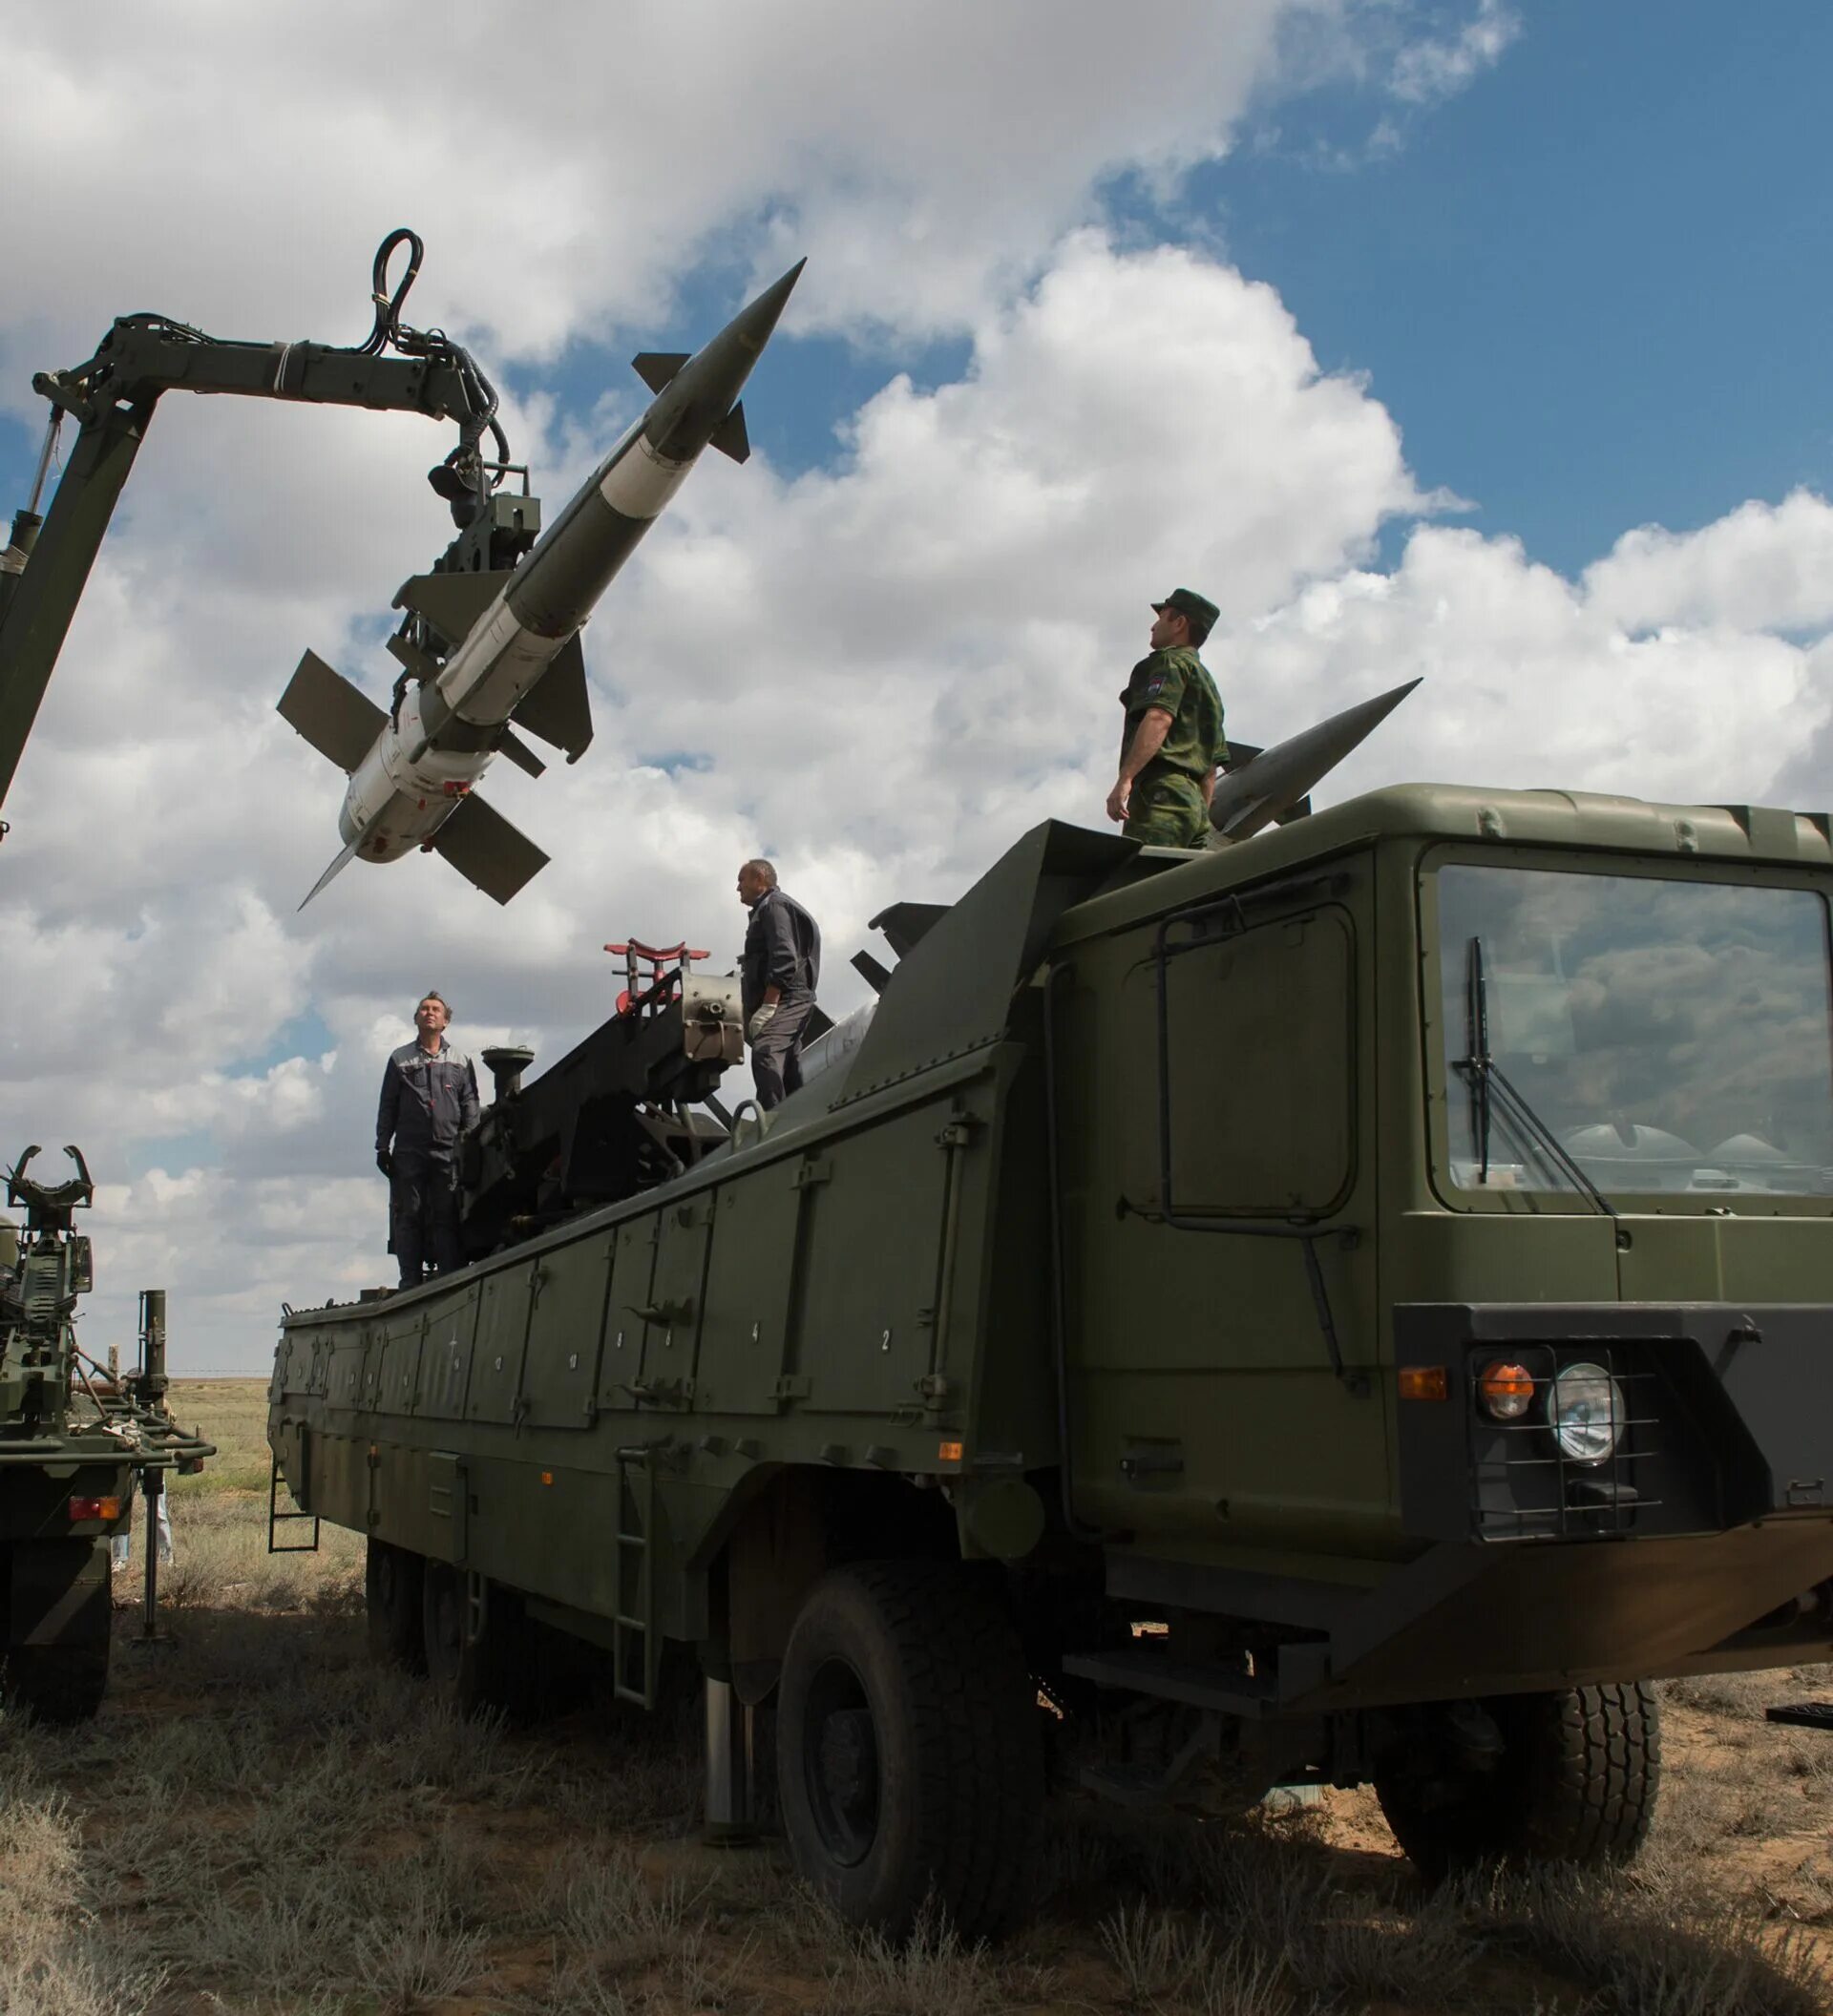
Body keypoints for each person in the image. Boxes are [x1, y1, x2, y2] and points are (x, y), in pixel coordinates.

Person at [1106, 586, 1228, 848]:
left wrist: (1125, 779)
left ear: (1179, 623)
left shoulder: (1168, 663)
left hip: (1161, 797)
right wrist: (1201, 816)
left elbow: (1159, 717)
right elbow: (1210, 768)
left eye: (1161, 617)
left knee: (1144, 884)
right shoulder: (1209, 687)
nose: (1153, 626)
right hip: (1195, 809)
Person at [375, 991, 480, 1290]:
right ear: (416, 1018)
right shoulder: (399, 1059)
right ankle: (410, 1280)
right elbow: (388, 1104)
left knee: (446, 1214)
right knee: (409, 1214)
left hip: (448, 1150)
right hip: (409, 1150)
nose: (429, 1013)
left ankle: (449, 1277)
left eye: (435, 1009)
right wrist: (382, 1145)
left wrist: (470, 1141)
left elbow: (470, 1102)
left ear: (445, 1022)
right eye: (424, 1009)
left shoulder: (460, 1060)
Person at [737, 860, 822, 1110]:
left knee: (766, 1052)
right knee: (788, 1069)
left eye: (742, 880)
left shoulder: (774, 906)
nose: (737, 887)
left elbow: (785, 956)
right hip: (789, 997)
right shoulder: (770, 908)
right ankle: (799, 1119)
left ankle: (772, 1126)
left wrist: (769, 1003)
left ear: (760, 878)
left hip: (787, 998)